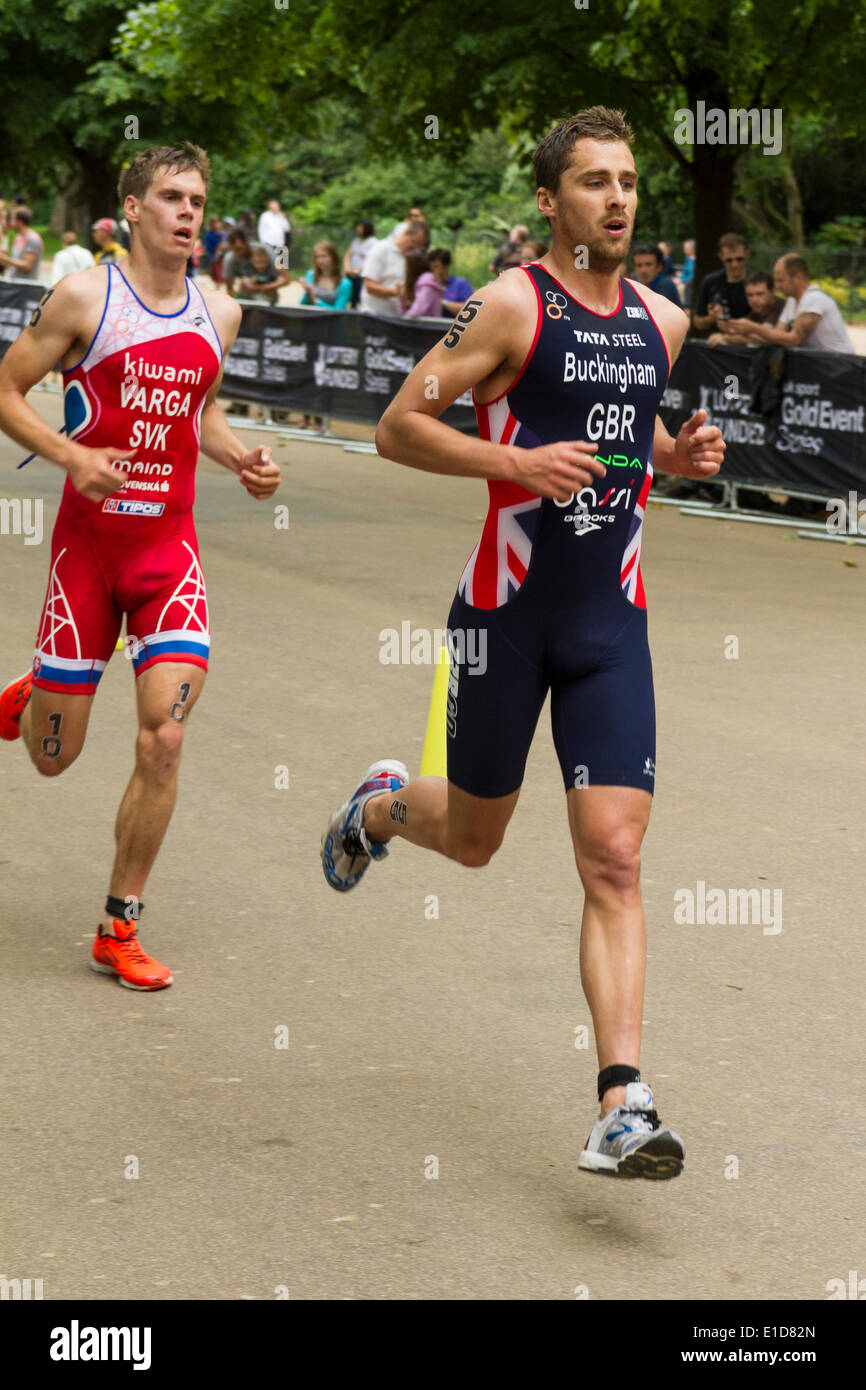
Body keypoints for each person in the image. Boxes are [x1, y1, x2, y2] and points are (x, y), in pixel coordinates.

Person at [320, 106, 724, 1180]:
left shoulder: (661, 319)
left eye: (628, 179)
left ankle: (620, 1102)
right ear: (549, 201)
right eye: (593, 181)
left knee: (615, 855)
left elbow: (620, 417)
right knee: (472, 839)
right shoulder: (502, 306)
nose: (618, 197)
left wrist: (669, 458)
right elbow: (400, 423)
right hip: (504, 620)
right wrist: (512, 465)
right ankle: (376, 806)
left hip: (609, 626)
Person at [0, 141, 281, 991]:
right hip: (88, 553)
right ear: (133, 209)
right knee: (54, 759)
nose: (189, 212)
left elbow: (199, 413)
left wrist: (242, 460)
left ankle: (119, 926)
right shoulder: (86, 295)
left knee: (164, 736)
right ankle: (33, 691)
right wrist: (70, 458)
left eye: (198, 197)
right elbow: (7, 389)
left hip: (169, 554)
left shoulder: (220, 312)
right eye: (171, 196)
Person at [726, 254, 855, 353]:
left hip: (841, 367)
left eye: (781, 280)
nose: (777, 286)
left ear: (798, 277)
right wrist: (730, 334)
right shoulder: (792, 302)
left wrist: (753, 327)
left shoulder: (814, 298)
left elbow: (794, 339)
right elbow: (777, 336)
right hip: (823, 368)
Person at [359, 219, 427, 316]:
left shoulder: (411, 256)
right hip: (375, 316)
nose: (416, 248)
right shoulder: (380, 249)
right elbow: (369, 286)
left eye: (420, 246)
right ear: (406, 233)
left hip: (398, 318)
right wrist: (394, 292)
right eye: (415, 243)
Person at [691, 232, 750, 332]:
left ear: (747, 254)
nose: (734, 264)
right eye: (729, 260)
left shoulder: (757, 283)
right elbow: (697, 322)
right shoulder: (710, 282)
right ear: (720, 257)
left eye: (739, 259)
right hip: (716, 344)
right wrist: (712, 318)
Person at [707, 271, 784, 346]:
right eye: (750, 295)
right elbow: (737, 331)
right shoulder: (757, 311)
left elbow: (764, 337)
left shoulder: (780, 306)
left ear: (772, 292)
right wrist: (719, 317)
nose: (754, 300)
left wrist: (725, 338)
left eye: (760, 294)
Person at [221, 229, 288, 300]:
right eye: (233, 250)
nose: (237, 254)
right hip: (246, 299)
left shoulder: (266, 251)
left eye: (239, 249)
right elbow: (229, 289)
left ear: (246, 242)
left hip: (268, 298)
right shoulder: (229, 259)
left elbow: (285, 279)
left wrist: (260, 288)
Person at [298, 241, 353, 310]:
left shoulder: (345, 283)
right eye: (317, 257)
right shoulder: (310, 274)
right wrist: (307, 293)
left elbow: (338, 312)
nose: (319, 261)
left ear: (334, 258)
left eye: (324, 256)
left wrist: (316, 300)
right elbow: (303, 305)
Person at [631, 242, 682, 306]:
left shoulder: (666, 285)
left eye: (648, 264)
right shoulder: (634, 285)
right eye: (639, 265)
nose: (643, 270)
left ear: (659, 267)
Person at [427, 247, 475, 315]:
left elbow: (470, 310)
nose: (433, 270)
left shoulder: (461, 284)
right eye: (430, 267)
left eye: (436, 266)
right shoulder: (428, 286)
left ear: (447, 265)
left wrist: (442, 302)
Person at [0, 207, 44, 280]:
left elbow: (27, 266)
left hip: (26, 286)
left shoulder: (33, 239)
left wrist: (6, 259)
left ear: (20, 221)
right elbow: (15, 262)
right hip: (15, 283)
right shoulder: (17, 238)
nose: (10, 222)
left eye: (12, 219)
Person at [399, 250, 446, 317]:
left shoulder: (427, 284)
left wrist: (403, 319)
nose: (404, 266)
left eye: (406, 264)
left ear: (413, 267)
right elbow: (401, 313)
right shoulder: (416, 285)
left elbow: (417, 311)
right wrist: (402, 298)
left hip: (429, 326)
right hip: (418, 326)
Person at [343, 220, 376, 308]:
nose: (358, 228)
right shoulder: (356, 240)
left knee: (360, 298)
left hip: (361, 275)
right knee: (350, 298)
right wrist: (346, 267)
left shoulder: (373, 242)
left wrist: (359, 270)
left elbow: (371, 259)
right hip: (351, 273)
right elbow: (348, 254)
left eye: (360, 226)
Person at [679, 238, 695, 308]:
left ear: (692, 249)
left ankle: (686, 307)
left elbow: (693, 275)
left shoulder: (694, 260)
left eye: (685, 248)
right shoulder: (687, 259)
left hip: (689, 282)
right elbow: (685, 272)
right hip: (685, 280)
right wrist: (680, 277)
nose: (684, 250)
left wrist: (681, 280)